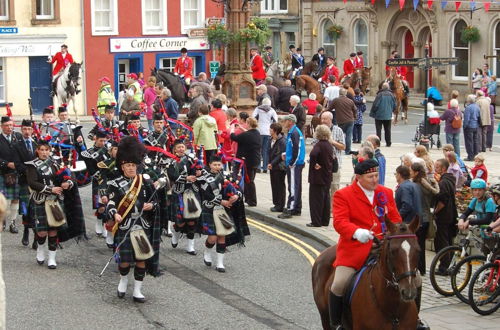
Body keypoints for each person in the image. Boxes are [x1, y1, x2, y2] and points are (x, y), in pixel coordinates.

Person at [329, 158, 403, 329]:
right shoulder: (343, 194)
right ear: (358, 178)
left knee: (415, 280)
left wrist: (397, 233)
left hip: (384, 248)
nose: (375, 180)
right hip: (356, 249)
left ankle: (415, 319)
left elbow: (396, 220)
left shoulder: (386, 192)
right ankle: (337, 323)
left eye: (377, 175)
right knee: (339, 283)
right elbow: (339, 222)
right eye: (370, 177)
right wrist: (356, 232)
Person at [106, 137, 159, 301]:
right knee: (124, 261)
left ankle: (137, 290)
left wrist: (152, 206)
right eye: (128, 165)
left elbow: (156, 200)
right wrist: (114, 213)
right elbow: (111, 202)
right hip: (125, 226)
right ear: (122, 167)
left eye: (133, 165)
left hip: (141, 225)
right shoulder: (115, 183)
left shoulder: (144, 181)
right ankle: (123, 281)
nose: (131, 168)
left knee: (141, 259)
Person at [198, 156, 241, 272]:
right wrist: (222, 201)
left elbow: (237, 187)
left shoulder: (225, 176)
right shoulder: (203, 178)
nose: (217, 167)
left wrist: (236, 195)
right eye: (215, 165)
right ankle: (207, 251)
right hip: (209, 209)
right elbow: (206, 194)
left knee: (222, 235)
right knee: (212, 238)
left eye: (219, 165)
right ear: (210, 165)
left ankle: (220, 263)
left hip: (222, 210)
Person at [411, 162, 439, 276]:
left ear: (416, 172)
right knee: (421, 244)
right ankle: (421, 268)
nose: (410, 172)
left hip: (420, 218)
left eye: (411, 170)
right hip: (427, 216)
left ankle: (419, 267)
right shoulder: (428, 182)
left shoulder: (417, 185)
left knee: (418, 245)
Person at [13, 120, 38, 247]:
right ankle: (26, 231)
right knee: (25, 209)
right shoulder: (17, 145)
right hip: (24, 181)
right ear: (21, 130)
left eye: (29, 129)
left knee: (34, 209)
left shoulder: (36, 144)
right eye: (24, 129)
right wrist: (31, 171)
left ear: (32, 130)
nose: (27, 132)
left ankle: (35, 235)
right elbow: (17, 165)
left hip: (36, 183)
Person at [433, 158, 458, 275]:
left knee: (442, 241)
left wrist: (435, 212)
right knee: (448, 240)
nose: (435, 168)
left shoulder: (443, 183)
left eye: (437, 166)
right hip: (451, 214)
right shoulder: (450, 179)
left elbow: (442, 201)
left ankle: (444, 266)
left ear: (443, 168)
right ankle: (451, 264)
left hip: (443, 216)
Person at [278, 114, 306, 219]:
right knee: (296, 186)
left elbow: (297, 149)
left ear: (290, 122)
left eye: (285, 121)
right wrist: (286, 154)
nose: (284, 123)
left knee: (293, 186)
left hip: (294, 165)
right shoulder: (293, 132)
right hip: (294, 163)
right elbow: (293, 148)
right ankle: (296, 208)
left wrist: (292, 163)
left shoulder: (294, 132)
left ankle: (290, 209)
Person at [230, 118, 261, 206]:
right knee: (250, 180)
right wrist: (241, 128)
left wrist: (232, 129)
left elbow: (233, 137)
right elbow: (248, 133)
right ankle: (248, 199)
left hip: (248, 161)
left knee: (249, 181)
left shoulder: (246, 135)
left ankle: (252, 201)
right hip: (255, 160)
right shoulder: (257, 133)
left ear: (248, 124)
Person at [307, 125, 334, 227]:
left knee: (316, 200)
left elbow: (313, 155)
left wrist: (314, 164)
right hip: (327, 176)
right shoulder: (329, 145)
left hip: (318, 177)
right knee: (326, 198)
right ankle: (325, 221)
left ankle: (316, 222)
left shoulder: (318, 145)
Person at [0, 116, 22, 233]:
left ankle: (13, 222)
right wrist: (6, 163)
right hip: (2, 172)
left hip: (15, 172)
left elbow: (23, 152)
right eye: (6, 126)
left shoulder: (17, 137)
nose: (9, 128)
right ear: (1, 126)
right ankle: (2, 219)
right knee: (2, 199)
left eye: (11, 125)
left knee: (15, 199)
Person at [319, 111, 345, 197]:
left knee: (334, 187)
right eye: (322, 118)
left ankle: (333, 209)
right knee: (323, 188)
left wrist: (332, 142)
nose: (322, 121)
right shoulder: (319, 130)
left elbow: (343, 147)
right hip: (322, 165)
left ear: (331, 119)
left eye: (325, 119)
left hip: (334, 165)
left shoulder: (338, 130)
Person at [328, 88, 357, 154]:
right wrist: (355, 117)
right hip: (350, 120)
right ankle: (347, 150)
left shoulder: (336, 100)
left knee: (340, 135)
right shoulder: (350, 101)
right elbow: (355, 109)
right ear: (346, 94)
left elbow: (329, 108)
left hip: (341, 121)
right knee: (349, 136)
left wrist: (323, 111)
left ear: (339, 93)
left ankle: (339, 147)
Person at [253, 97, 278, 173]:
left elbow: (253, 118)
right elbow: (275, 121)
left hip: (259, 131)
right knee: (266, 150)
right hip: (268, 131)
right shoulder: (272, 110)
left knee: (258, 150)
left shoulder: (258, 109)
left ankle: (258, 167)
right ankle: (265, 167)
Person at [370, 82, 396, 147]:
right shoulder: (391, 95)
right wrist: (391, 111)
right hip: (388, 115)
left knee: (378, 130)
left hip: (379, 115)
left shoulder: (380, 95)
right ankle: (388, 143)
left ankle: (378, 143)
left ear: (382, 88)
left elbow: (375, 105)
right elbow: (394, 105)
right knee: (387, 130)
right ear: (388, 87)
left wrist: (373, 112)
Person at [268, 123, 287, 213]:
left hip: (279, 167)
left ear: (275, 131)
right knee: (274, 185)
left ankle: (280, 205)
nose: (269, 130)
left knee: (279, 186)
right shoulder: (271, 139)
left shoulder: (282, 141)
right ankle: (276, 204)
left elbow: (280, 155)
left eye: (271, 129)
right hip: (273, 166)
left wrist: (272, 163)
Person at [463, 94, 481, 161]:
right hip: (476, 126)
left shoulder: (468, 108)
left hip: (469, 126)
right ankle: (475, 155)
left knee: (469, 142)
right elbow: (479, 117)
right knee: (475, 141)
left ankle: (470, 156)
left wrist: (464, 126)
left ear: (469, 100)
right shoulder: (477, 107)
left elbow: (466, 119)